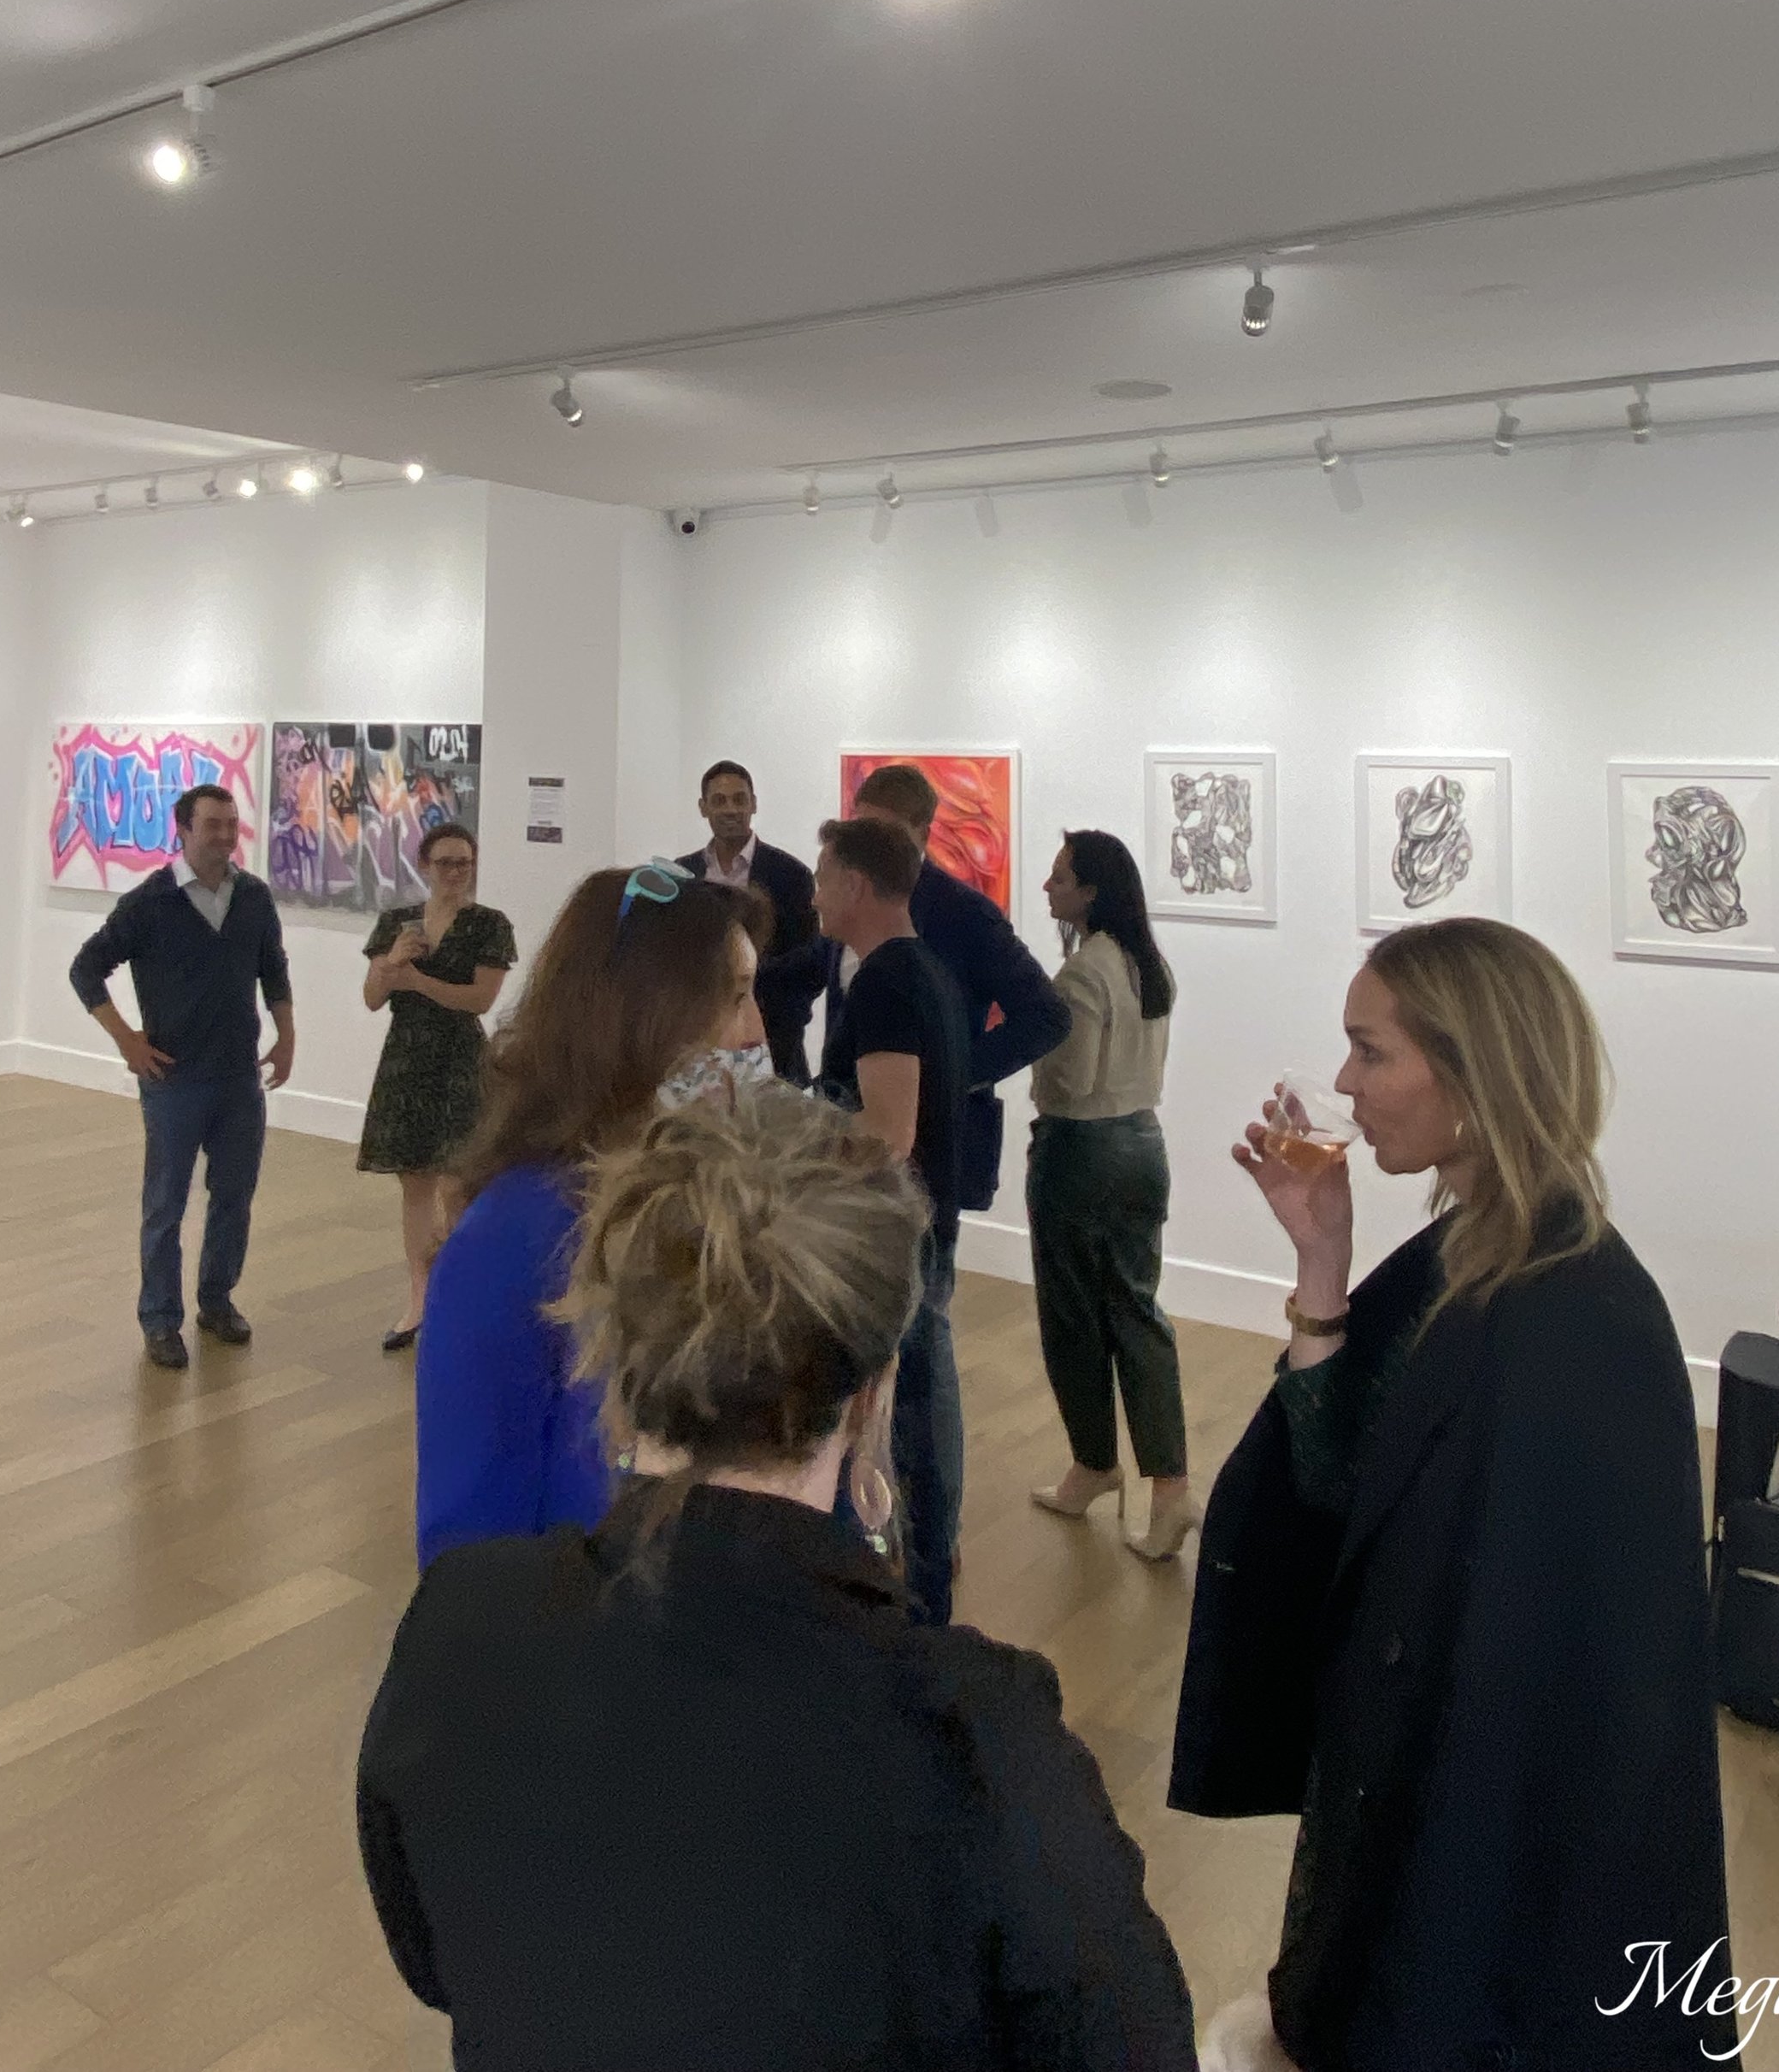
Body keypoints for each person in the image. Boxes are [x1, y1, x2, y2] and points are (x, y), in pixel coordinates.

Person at [358, 1086, 1199, 2072]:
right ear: (874, 1392)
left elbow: (438, 1961)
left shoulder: (462, 1622)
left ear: (614, 1358)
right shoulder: (979, 1742)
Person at [1169, 919, 1728, 2072]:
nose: (1342, 1084)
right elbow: (1344, 1488)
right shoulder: (1473, 1256)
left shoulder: (1578, 1321)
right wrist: (1321, 1263)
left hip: (1482, 1864)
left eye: (1371, 1051)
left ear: (1475, 1073)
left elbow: (1550, 1699)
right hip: (1409, 1800)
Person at [412, 860, 765, 1568]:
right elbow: (469, 1552)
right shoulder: (514, 1237)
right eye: (736, 997)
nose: (756, 1030)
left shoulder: (712, 1208)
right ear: (649, 1018)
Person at [68, 781, 294, 1369]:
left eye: (231, 824)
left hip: (238, 1077)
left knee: (234, 1195)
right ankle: (160, 1319)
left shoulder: (253, 897)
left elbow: (273, 970)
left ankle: (216, 1300)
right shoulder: (149, 903)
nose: (225, 834)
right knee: (165, 1204)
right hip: (174, 1079)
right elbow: (86, 968)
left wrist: (286, 1034)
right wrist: (126, 1039)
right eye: (213, 824)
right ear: (184, 829)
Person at [1027, 831, 1202, 1561]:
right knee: (1137, 1312)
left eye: (1060, 877)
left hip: (1081, 1151)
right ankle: (1166, 1486)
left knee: (1073, 1317)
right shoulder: (1147, 964)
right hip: (1142, 1145)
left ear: (1092, 892)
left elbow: (1071, 1081)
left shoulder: (1082, 974)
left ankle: (1096, 1463)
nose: (1047, 886)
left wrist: (1030, 1042)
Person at [813, 814, 970, 1626]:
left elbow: (888, 1132)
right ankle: (924, 1587)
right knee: (919, 1405)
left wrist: (797, 1140)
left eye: (822, 877)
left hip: (900, 1231)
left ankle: (919, 1603)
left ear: (855, 884)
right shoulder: (926, 970)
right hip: (927, 1222)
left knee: (907, 1420)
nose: (813, 894)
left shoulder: (885, 981)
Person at [825, 760, 1069, 1216]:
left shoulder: (966, 913)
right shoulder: (848, 897)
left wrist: (951, 1073)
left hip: (929, 1148)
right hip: (850, 1139)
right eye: (863, 830)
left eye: (886, 833)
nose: (871, 846)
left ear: (922, 833)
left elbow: (1046, 1016)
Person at [357, 824, 517, 1354]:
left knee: (457, 1183)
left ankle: (461, 1296)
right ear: (424, 865)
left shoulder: (489, 925)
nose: (455, 872)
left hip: (460, 1060)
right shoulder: (396, 923)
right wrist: (393, 963)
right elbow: (372, 998)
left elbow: (479, 1000)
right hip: (407, 1058)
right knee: (415, 1182)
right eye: (446, 862)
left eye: (464, 863)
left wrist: (418, 981)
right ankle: (419, 1298)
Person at [677, 756, 824, 1080]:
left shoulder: (791, 875)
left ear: (754, 804)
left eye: (739, 799)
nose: (730, 809)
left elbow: (810, 962)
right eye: (719, 801)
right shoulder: (683, 876)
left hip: (775, 1039)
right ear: (703, 808)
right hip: (697, 1042)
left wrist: (782, 1016)